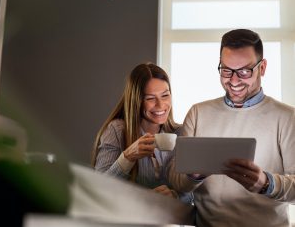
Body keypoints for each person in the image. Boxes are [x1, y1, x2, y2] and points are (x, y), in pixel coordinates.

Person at [170, 29, 295, 226]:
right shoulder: (197, 113)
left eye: (244, 71)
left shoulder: (287, 117)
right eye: (227, 70)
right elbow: (176, 182)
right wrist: (193, 175)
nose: (234, 81)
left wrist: (266, 184)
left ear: (262, 68)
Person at [91, 62, 191, 202]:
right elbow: (98, 190)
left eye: (165, 95)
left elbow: (194, 192)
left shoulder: (182, 132)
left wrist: (175, 196)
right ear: (136, 101)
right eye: (150, 98)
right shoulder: (116, 130)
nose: (161, 105)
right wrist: (127, 157)